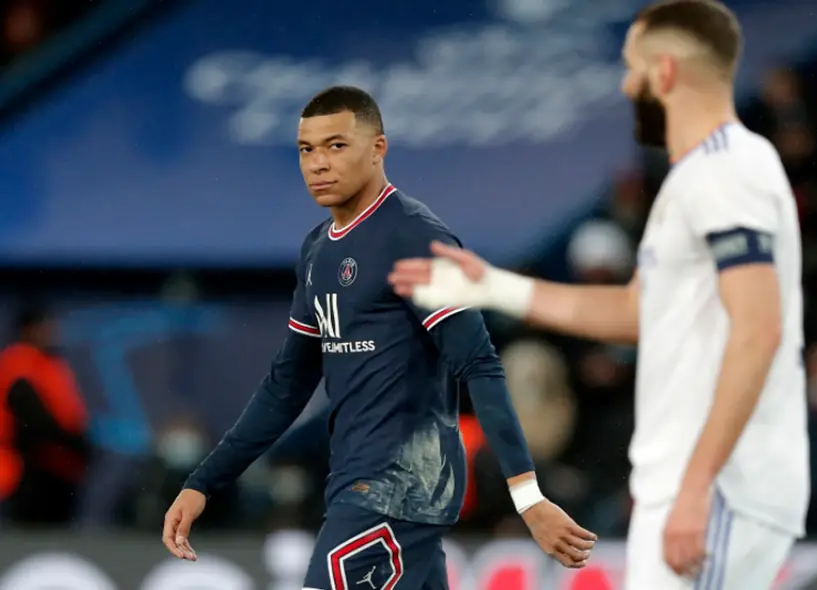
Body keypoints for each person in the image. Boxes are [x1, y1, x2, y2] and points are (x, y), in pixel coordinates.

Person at [388, 1, 809, 588]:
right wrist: (495, 286)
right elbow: (639, 311)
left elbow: (759, 328)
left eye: (632, 67)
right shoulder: (698, 179)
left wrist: (697, 487)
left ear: (664, 73)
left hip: (721, 488)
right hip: (699, 487)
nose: (626, 82)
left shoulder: (725, 170)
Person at [161, 86, 596, 590]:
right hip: (360, 484)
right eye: (307, 149)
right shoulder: (317, 250)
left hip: (396, 489)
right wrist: (203, 482)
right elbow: (287, 385)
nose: (318, 164)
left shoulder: (412, 237)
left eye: (336, 146)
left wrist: (527, 497)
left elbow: (478, 362)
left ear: (378, 148)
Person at [0, 306, 91, 525]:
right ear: (28, 329)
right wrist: (72, 442)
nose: (51, 332)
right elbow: (31, 416)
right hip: (21, 470)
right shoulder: (18, 362)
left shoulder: (52, 363)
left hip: (58, 468)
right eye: (44, 326)